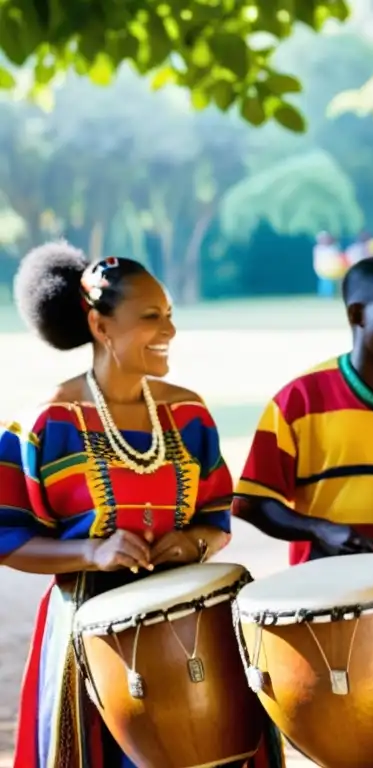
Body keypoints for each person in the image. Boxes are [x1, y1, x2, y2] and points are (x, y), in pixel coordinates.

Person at [0, 242, 284, 768]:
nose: (169, 331)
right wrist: (91, 554)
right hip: (88, 633)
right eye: (151, 317)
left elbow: (216, 514)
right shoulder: (45, 424)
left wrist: (194, 541)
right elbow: (8, 539)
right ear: (101, 326)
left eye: (170, 315)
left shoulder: (189, 414)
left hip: (191, 621)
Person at [232, 256, 373, 768]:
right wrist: (318, 528)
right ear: (357, 314)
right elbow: (252, 500)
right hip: (325, 610)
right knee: (338, 744)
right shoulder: (299, 398)